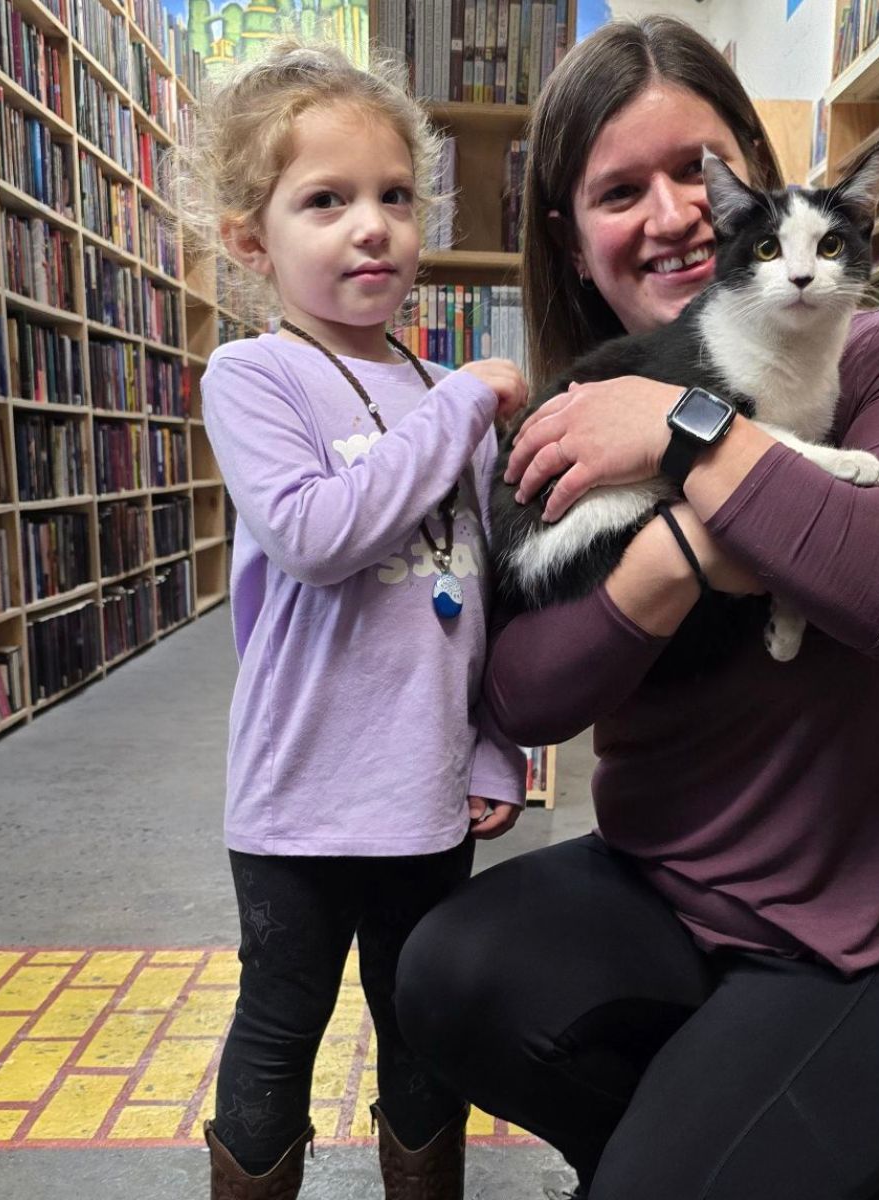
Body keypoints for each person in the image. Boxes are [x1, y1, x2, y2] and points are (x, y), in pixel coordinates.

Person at [396, 16, 879, 1200]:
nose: (677, 213)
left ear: (757, 191)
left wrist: (681, 434)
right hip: (664, 897)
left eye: (700, 170)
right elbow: (520, 696)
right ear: (571, 241)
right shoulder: (575, 416)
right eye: (620, 189)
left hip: (869, 949)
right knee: (446, 975)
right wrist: (681, 553)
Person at [176, 40, 529, 1200]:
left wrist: (494, 742)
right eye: (323, 201)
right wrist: (474, 400)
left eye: (391, 197)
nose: (368, 226)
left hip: (424, 795)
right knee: (278, 1027)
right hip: (297, 800)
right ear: (251, 240)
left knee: (425, 1032)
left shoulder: (432, 394)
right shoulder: (253, 377)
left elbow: (475, 592)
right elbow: (320, 534)